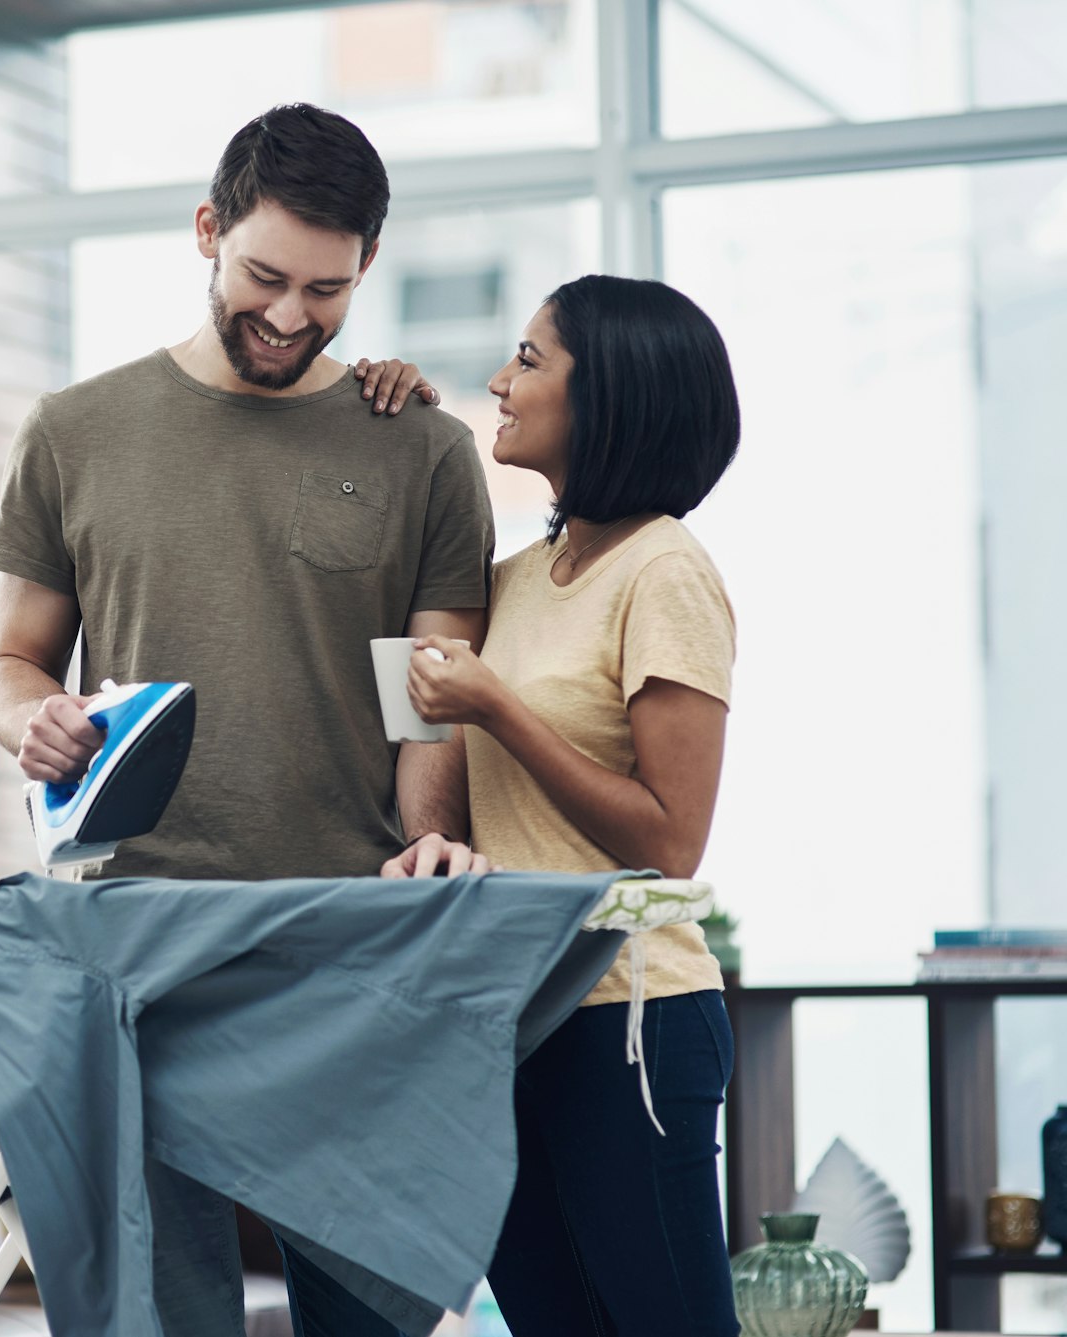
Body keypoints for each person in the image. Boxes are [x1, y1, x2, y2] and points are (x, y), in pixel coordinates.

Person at [0, 103, 492, 1333]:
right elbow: (11, 662)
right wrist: (34, 724)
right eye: (263, 275)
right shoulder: (72, 431)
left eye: (326, 288)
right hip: (137, 945)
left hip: (349, 946)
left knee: (371, 1308)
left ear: (366, 265)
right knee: (166, 1310)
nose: (288, 313)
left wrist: (425, 847)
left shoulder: (419, 445)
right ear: (206, 231)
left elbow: (425, 694)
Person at [400, 274, 742, 1336]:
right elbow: (448, 778)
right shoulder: (511, 577)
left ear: (611, 398)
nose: (499, 381)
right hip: (505, 1014)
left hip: (625, 1016)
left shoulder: (664, 571)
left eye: (529, 360)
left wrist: (497, 705)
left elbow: (668, 839)